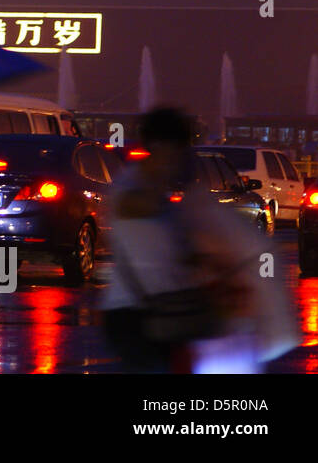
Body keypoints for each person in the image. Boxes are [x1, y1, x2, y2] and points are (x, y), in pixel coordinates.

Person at [101, 107, 262, 373]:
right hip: (132, 316)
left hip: (168, 313)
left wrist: (219, 268)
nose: (183, 156)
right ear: (159, 145)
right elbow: (130, 208)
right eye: (179, 148)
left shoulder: (162, 196)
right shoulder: (131, 186)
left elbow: (174, 251)